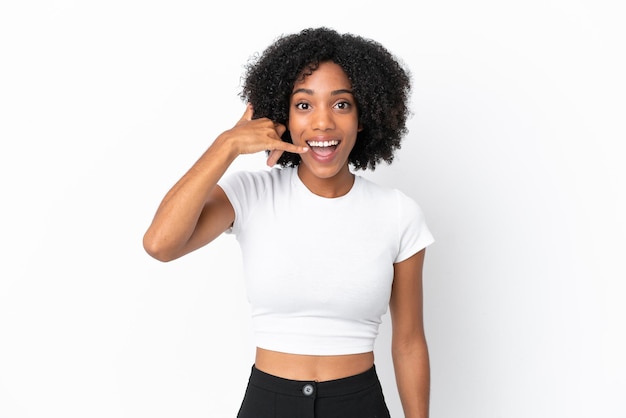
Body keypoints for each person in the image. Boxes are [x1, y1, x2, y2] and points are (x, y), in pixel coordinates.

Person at [143, 27, 434, 418]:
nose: (323, 123)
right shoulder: (251, 194)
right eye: (303, 105)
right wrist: (227, 144)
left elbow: (409, 342)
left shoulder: (398, 212)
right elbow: (160, 243)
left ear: (364, 117)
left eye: (342, 105)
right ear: (283, 117)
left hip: (358, 404)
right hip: (268, 403)